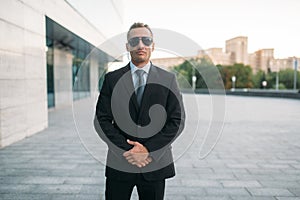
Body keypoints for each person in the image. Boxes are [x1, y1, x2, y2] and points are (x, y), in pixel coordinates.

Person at [95, 22, 185, 200]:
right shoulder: (112, 79)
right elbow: (101, 120)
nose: (141, 45)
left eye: (146, 40)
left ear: (153, 45)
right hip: (120, 163)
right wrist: (127, 151)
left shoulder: (168, 79)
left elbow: (177, 120)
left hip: (155, 165)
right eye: (135, 41)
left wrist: (148, 150)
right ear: (127, 46)